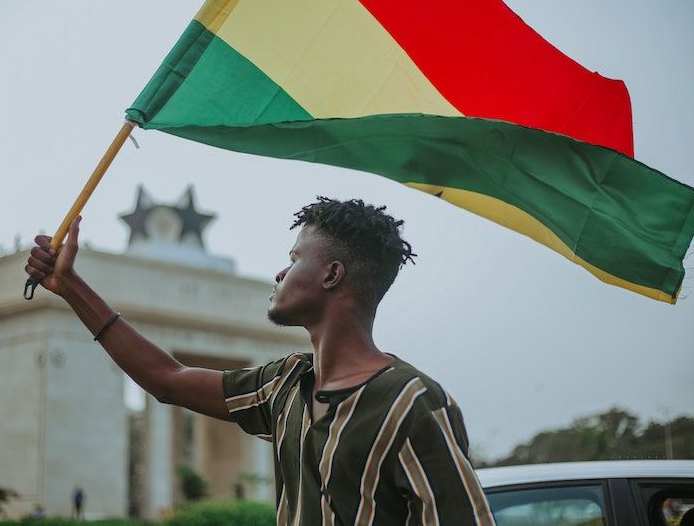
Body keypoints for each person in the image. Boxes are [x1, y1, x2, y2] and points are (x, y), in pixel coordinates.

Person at [25, 197, 496, 525]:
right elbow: (167, 379)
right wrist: (70, 287)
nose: (279, 271)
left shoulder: (412, 403)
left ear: (332, 274)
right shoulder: (285, 385)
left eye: (293, 258)